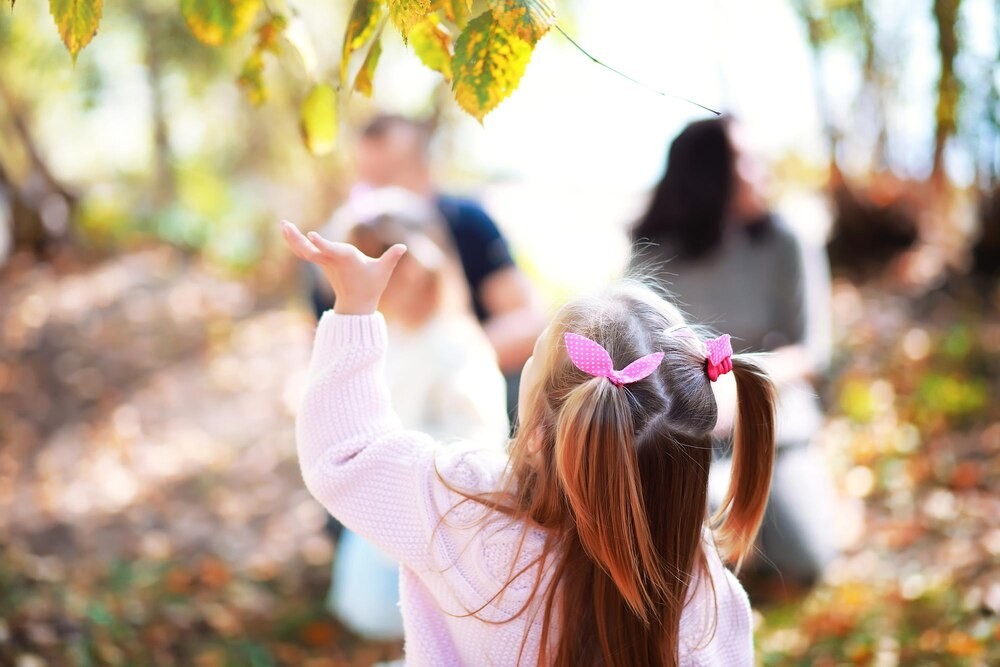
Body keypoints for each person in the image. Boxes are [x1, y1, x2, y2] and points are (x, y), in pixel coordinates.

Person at [282, 218, 778, 666]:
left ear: (540, 435)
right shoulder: (710, 598)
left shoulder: (463, 505)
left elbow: (345, 453)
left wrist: (354, 308)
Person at [631, 117, 837, 585]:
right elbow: (635, 351)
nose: (761, 169)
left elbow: (811, 350)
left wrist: (735, 388)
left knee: (806, 559)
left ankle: (738, 540)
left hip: (772, 426)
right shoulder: (652, 255)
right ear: (708, 172)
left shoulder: (785, 242)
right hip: (681, 431)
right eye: (746, 159)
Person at [322, 188, 510, 643]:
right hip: (383, 503)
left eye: (400, 269)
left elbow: (479, 440)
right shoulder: (385, 337)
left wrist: (404, 458)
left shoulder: (454, 343)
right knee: (366, 612)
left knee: (425, 623)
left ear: (427, 270)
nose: (392, 283)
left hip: (437, 515)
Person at [311, 114, 545, 417]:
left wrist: (444, 360)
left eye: (390, 174)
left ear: (424, 171)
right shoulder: (342, 248)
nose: (378, 191)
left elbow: (528, 322)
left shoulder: (468, 224)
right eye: (368, 177)